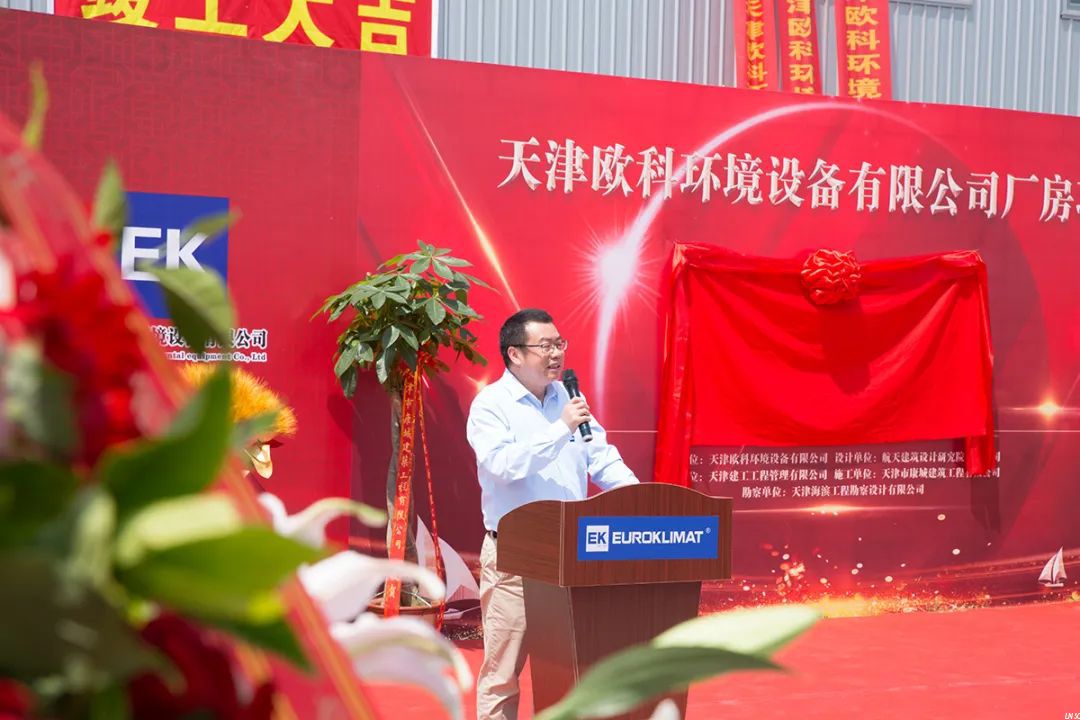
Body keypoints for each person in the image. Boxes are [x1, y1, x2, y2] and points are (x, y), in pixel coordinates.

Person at [466, 308, 639, 720]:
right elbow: (503, 465)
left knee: (571, 668)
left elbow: (601, 457)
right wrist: (560, 428)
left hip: (573, 554)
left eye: (559, 343)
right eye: (545, 346)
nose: (556, 353)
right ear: (514, 354)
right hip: (515, 557)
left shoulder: (567, 398)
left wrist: (638, 498)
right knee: (503, 673)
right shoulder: (491, 405)